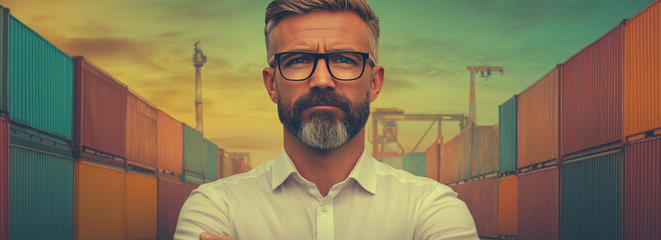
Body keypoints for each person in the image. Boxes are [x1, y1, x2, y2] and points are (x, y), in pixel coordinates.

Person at [175, 0, 478, 239]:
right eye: (298, 60)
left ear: (375, 83)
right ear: (271, 84)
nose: (322, 79)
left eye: (344, 59)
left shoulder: (433, 208)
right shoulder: (213, 208)